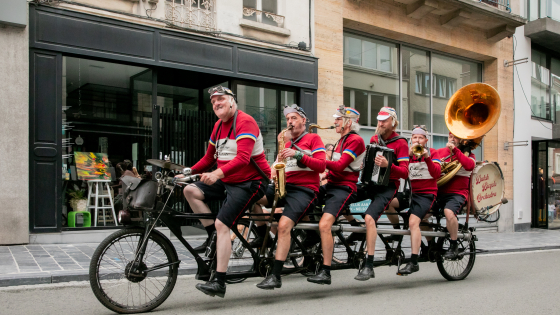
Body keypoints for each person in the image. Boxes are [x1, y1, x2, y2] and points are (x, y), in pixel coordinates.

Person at [179, 86, 270, 298]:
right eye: (213, 101)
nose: (216, 103)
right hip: (228, 179)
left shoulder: (245, 121)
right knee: (191, 190)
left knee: (223, 224)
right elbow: (209, 158)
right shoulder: (219, 125)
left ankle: (219, 282)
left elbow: (243, 158)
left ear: (231, 101)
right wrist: (188, 173)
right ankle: (213, 236)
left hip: (251, 181)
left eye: (220, 99)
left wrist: (217, 174)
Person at [255, 104, 326, 290]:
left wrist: (298, 154)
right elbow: (278, 169)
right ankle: (263, 236)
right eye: (287, 119)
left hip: (305, 190)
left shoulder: (313, 138)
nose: (290, 122)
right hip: (283, 186)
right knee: (251, 195)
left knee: (284, 225)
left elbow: (321, 166)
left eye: (293, 118)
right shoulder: (286, 144)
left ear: (303, 120)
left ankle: (276, 275)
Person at [307, 105, 365, 285]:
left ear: (348, 122)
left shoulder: (355, 140)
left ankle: (326, 271)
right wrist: (324, 175)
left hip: (344, 188)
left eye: (338, 119)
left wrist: (315, 161)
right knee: (304, 199)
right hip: (332, 184)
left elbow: (340, 166)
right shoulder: (341, 140)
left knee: (325, 224)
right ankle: (314, 239)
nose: (334, 122)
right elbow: (337, 169)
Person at [355, 107, 409, 281]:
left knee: (370, 218)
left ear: (392, 122)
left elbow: (405, 172)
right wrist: (364, 165)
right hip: (371, 183)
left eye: (384, 120)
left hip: (388, 186)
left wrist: (388, 165)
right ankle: (355, 231)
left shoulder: (401, 142)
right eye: (379, 120)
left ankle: (369, 265)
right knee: (344, 196)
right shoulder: (373, 139)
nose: (380, 123)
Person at [397, 125, 441, 275]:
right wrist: (407, 158)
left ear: (426, 140)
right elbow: (402, 174)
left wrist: (427, 157)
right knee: (389, 204)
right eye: (414, 137)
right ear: (411, 140)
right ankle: (398, 235)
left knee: (414, 222)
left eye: (420, 138)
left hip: (427, 194)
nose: (417, 140)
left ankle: (413, 261)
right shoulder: (407, 155)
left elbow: (436, 174)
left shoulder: (433, 153)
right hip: (411, 194)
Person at [433, 132, 475, 259]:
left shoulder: (469, 155)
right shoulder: (440, 152)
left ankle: (453, 244)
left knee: (448, 212)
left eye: (455, 137)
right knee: (421, 215)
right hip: (439, 192)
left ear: (462, 140)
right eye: (450, 137)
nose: (452, 139)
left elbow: (469, 166)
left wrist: (455, 151)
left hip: (458, 194)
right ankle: (430, 245)